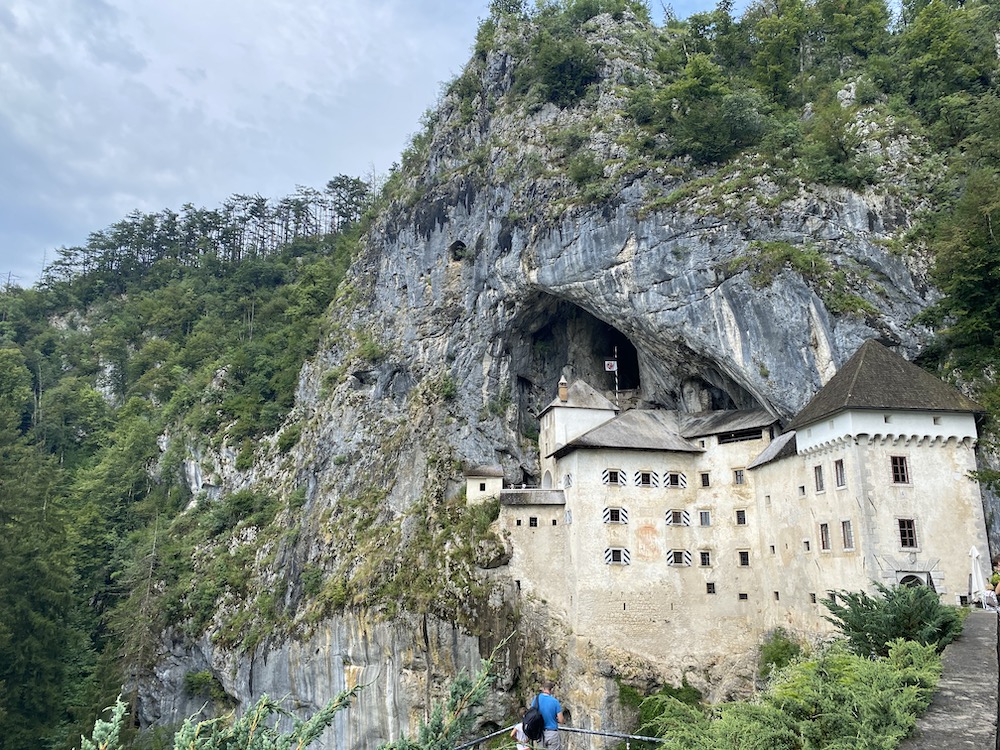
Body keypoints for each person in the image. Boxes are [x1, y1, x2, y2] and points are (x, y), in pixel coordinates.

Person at [533, 680, 564, 750]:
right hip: (552, 733)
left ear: (543, 689)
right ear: (552, 689)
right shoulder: (555, 702)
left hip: (539, 733)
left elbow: (532, 714)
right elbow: (561, 720)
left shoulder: (536, 699)